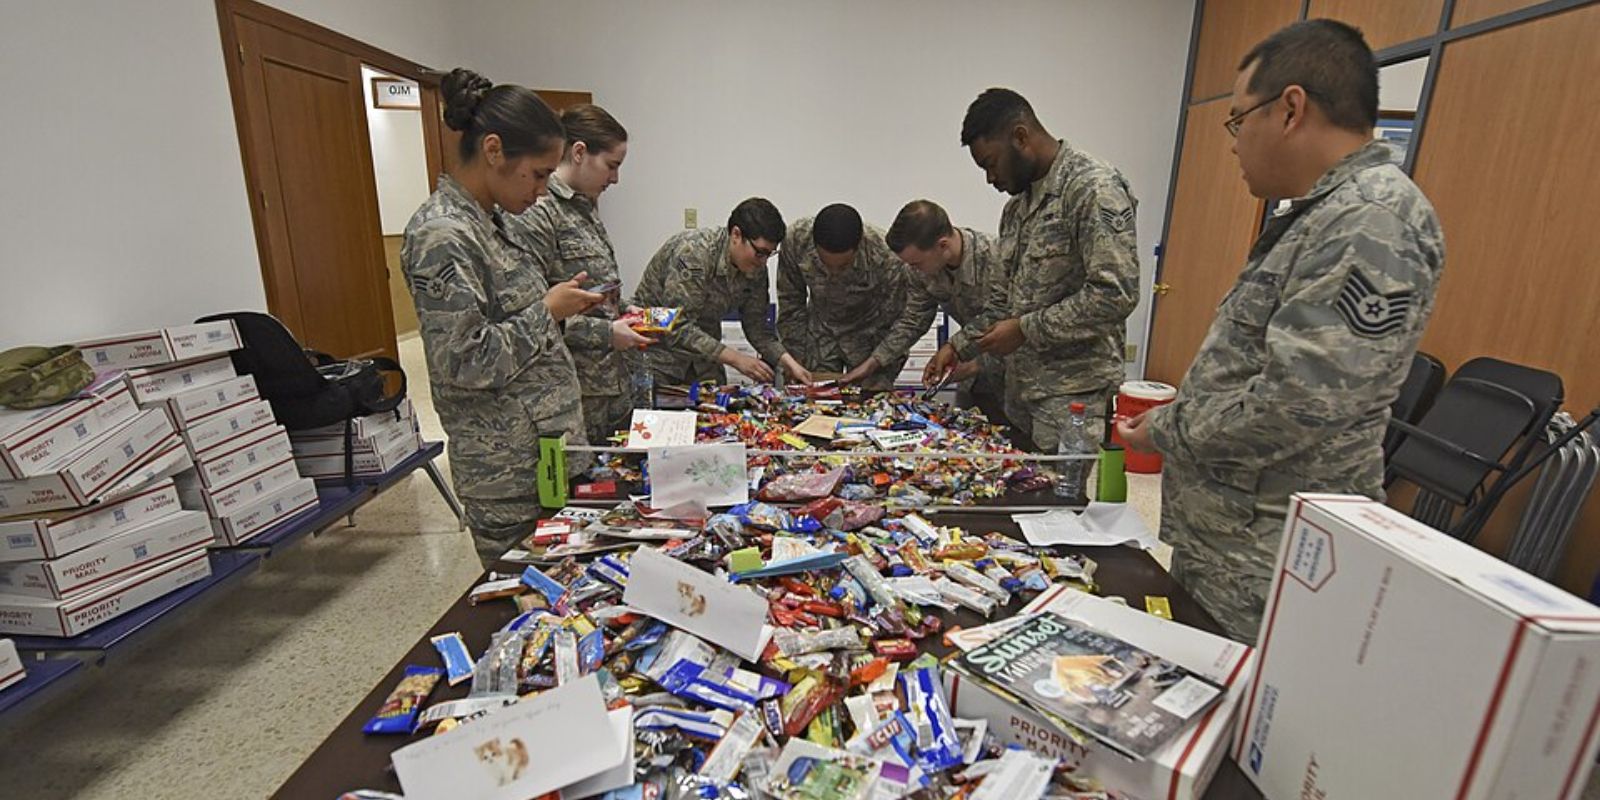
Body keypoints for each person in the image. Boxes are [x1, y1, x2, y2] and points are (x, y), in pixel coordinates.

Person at [1118, 20, 1445, 642]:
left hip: (1273, 558)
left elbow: (1297, 405)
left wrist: (1166, 427)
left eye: (1239, 121)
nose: (1234, 142)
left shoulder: (1370, 220)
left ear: (1290, 108)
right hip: (1235, 540)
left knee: (1250, 723)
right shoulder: (1321, 215)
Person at [401, 68, 602, 567]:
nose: (542, 189)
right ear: (494, 151)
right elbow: (464, 361)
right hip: (507, 473)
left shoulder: (492, 223)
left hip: (545, 456)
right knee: (526, 604)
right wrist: (547, 311)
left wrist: (561, 311)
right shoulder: (444, 235)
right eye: (536, 174)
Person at [927, 88, 1140, 450]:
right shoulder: (1016, 209)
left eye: (991, 164)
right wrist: (958, 347)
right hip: (1021, 392)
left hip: (1071, 394)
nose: (990, 179)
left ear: (1021, 137)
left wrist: (1026, 329)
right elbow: (1001, 303)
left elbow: (1114, 294)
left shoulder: (1092, 189)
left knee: (1060, 503)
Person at [510, 104, 653, 443]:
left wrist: (625, 313)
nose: (615, 178)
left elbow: (594, 293)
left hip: (611, 382)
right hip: (575, 390)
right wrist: (607, 334)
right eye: (611, 166)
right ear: (579, 152)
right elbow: (533, 315)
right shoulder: (538, 212)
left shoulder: (583, 207)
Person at [844, 199, 1006, 418]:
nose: (913, 269)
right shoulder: (920, 269)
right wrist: (872, 363)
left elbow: (1003, 312)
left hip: (1019, 374)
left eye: (917, 263)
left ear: (942, 245)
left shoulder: (998, 256)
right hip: (975, 374)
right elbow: (913, 319)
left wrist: (953, 348)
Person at [632, 198, 811, 386]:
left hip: (704, 361)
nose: (763, 261)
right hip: (657, 356)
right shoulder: (694, 253)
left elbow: (757, 328)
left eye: (769, 254)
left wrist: (788, 362)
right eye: (760, 252)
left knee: (718, 412)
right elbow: (676, 326)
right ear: (736, 235)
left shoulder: (755, 268)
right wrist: (737, 359)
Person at [777, 204, 908, 391]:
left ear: (859, 246)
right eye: (825, 264)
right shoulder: (797, 240)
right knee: (814, 401)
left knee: (871, 407)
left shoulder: (886, 256)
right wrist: (795, 357)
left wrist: (876, 363)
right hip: (819, 334)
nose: (833, 273)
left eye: (842, 266)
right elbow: (790, 303)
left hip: (870, 337)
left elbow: (897, 320)